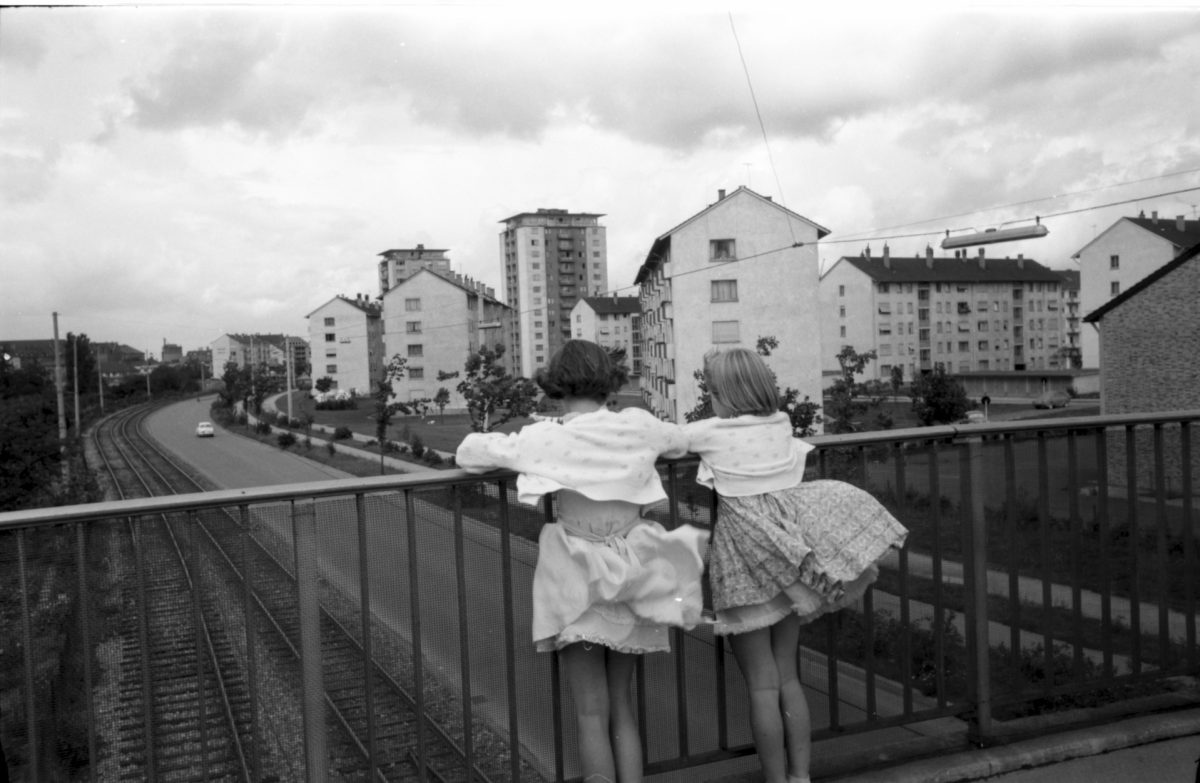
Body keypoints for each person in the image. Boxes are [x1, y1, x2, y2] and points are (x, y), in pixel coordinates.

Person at [455, 340, 708, 783]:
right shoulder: (638, 426)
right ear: (609, 380)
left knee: (591, 713)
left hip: (579, 575)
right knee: (622, 706)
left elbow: (469, 453)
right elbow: (680, 441)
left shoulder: (546, 436)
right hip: (637, 570)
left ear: (556, 384)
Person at [683, 347, 908, 783]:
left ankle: (774, 779)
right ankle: (800, 776)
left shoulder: (710, 432)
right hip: (787, 565)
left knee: (761, 686)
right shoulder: (781, 423)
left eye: (711, 390)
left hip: (742, 569)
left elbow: (664, 439)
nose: (709, 399)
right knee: (787, 678)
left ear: (725, 394)